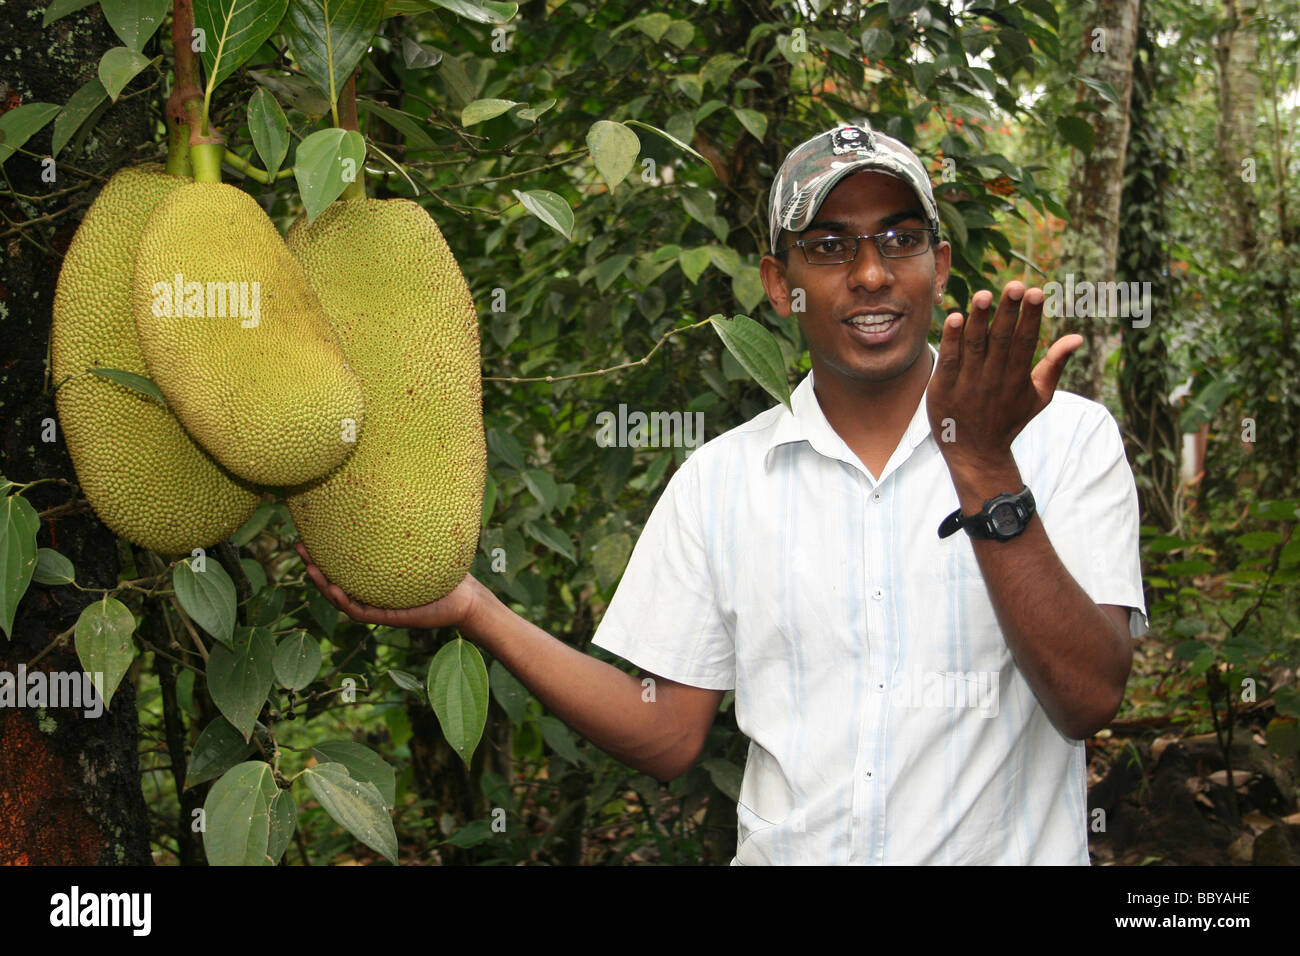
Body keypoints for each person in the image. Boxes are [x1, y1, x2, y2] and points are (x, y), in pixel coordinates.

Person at [298, 120, 1147, 865]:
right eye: (828, 246)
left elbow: (1087, 699)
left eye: (899, 239)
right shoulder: (722, 482)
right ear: (781, 287)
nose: (871, 273)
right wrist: (476, 609)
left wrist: (986, 467)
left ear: (939, 264)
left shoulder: (1064, 440)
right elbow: (667, 732)